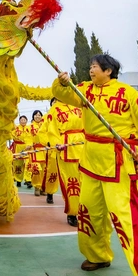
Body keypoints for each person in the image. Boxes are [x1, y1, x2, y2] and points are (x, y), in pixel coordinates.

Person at [52, 54, 138, 276]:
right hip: (90, 161)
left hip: (119, 164)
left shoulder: (129, 94)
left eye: (94, 66)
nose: (90, 70)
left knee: (129, 222)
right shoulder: (84, 90)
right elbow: (65, 96)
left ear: (108, 70)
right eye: (90, 66)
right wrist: (61, 84)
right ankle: (98, 255)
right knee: (88, 212)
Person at [45, 97, 84, 226]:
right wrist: (57, 143)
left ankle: (87, 212)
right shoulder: (54, 109)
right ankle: (72, 212)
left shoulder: (79, 105)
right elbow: (51, 130)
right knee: (71, 181)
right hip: (66, 147)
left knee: (87, 181)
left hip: (84, 146)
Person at [11, 115, 31, 187]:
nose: (23, 121)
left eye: (24, 120)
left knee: (28, 163)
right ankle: (18, 180)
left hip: (27, 147)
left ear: (26, 120)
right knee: (18, 164)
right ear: (19, 121)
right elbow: (11, 134)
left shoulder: (29, 128)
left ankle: (28, 180)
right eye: (21, 120)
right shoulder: (16, 128)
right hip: (18, 147)